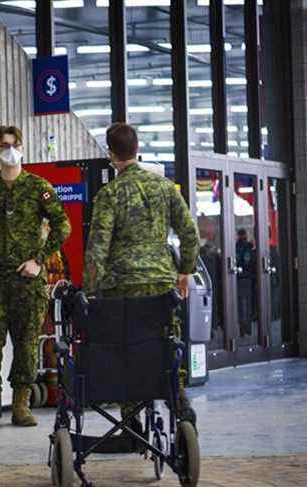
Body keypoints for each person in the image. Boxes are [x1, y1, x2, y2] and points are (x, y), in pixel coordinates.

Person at [83, 122, 200, 434]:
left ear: (111, 155)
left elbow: (97, 249)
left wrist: (91, 292)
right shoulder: (164, 188)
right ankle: (179, 398)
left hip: (121, 286)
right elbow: (190, 233)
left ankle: (131, 420)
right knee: (164, 341)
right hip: (162, 283)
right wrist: (185, 271)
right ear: (137, 150)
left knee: (127, 348)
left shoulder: (109, 194)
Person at [0, 125, 71, 428]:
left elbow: (63, 225)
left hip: (28, 280)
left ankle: (21, 405)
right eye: (4, 144)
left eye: (14, 144)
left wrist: (39, 260)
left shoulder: (38, 187)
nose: (9, 149)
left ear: (22, 148)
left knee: (27, 343)